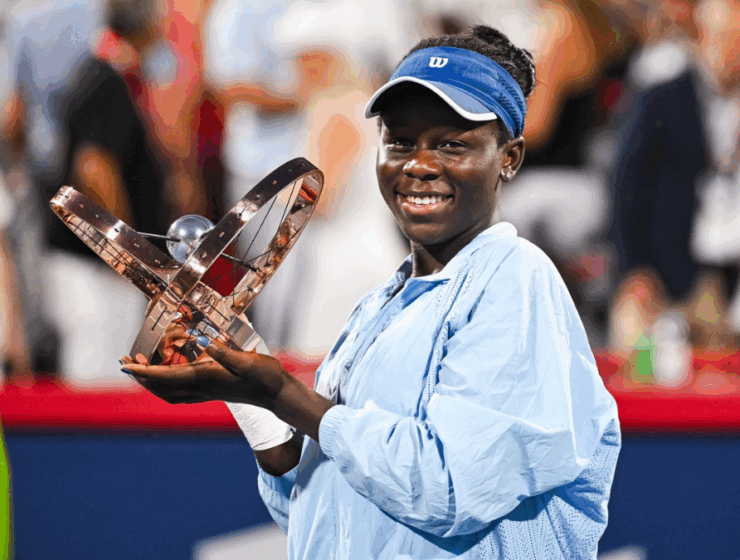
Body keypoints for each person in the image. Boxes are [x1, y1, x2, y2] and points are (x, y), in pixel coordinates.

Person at [122, 25, 621, 559]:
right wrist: (249, 394)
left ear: (509, 158)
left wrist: (281, 394)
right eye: (400, 141)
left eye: (452, 143)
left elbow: (447, 487)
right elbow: (317, 504)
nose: (419, 165)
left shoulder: (518, 282)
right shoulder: (379, 306)